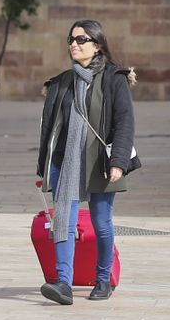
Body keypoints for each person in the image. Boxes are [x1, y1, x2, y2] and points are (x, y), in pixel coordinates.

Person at [37, 19, 139, 305]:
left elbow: (124, 123)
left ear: (97, 45)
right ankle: (63, 283)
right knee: (64, 222)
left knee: (101, 222)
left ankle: (103, 278)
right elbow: (50, 128)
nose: (74, 44)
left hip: (100, 162)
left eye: (81, 39)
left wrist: (119, 161)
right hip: (65, 162)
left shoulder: (114, 79)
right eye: (71, 39)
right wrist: (45, 166)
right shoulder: (61, 82)